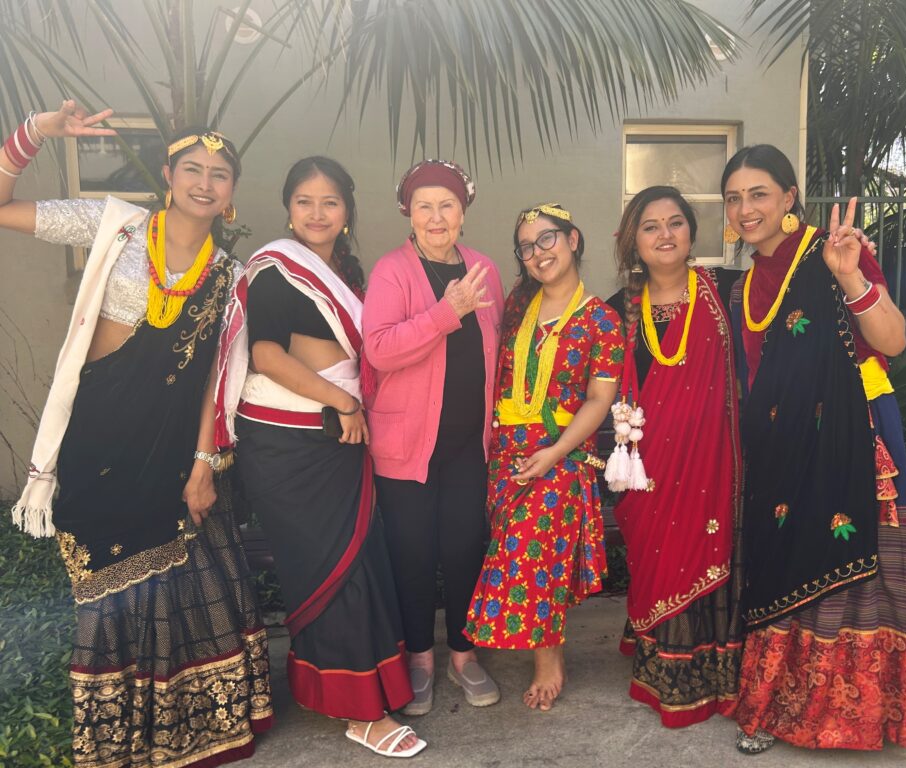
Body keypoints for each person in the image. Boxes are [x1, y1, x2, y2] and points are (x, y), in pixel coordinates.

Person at [2, 102, 272, 768]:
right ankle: (117, 735)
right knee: (105, 588)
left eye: (219, 174)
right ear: (168, 175)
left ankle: (192, 728)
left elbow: (214, 378)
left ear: (232, 192)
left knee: (187, 587)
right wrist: (35, 133)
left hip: (172, 453)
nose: (205, 182)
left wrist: (204, 463)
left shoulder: (228, 275)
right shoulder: (113, 226)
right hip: (97, 442)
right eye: (192, 168)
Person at [215, 156, 425, 758]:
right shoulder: (276, 269)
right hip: (287, 446)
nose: (317, 213)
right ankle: (362, 713)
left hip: (336, 443)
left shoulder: (345, 274)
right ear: (288, 208)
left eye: (329, 202)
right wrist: (344, 402)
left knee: (359, 561)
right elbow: (267, 356)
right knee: (331, 570)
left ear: (347, 211)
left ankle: (358, 689)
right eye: (304, 201)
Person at [721, 145, 906, 752]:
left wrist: (850, 275)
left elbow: (893, 339)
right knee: (784, 559)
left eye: (759, 193)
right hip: (780, 444)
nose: (745, 208)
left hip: (853, 432)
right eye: (733, 198)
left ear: (789, 197)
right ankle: (778, 706)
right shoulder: (744, 285)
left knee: (851, 558)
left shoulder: (834, 251)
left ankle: (855, 716)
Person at [463, 203, 623, 711]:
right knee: (530, 555)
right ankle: (534, 647)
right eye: (527, 247)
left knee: (532, 552)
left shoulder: (601, 320)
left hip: (561, 453)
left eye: (547, 239)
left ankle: (548, 660)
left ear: (573, 240)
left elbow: (598, 399)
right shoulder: (516, 306)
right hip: (504, 453)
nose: (538, 253)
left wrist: (554, 453)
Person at [362, 159, 504, 716]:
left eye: (447, 205)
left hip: (469, 446)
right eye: (424, 206)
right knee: (413, 553)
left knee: (466, 549)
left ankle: (463, 656)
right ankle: (420, 657)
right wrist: (448, 312)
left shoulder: (484, 269)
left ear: (463, 212)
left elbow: (498, 348)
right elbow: (379, 349)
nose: (436, 216)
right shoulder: (392, 271)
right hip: (407, 448)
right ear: (409, 213)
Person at [605, 186, 743, 727]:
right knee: (658, 560)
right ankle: (663, 667)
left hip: (714, 463)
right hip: (649, 472)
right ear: (632, 241)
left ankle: (716, 675)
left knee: (711, 554)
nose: (665, 234)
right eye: (650, 226)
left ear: (691, 231)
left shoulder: (728, 291)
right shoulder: (617, 310)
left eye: (675, 223)